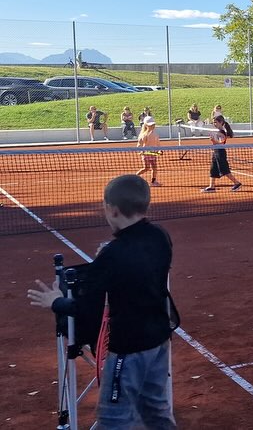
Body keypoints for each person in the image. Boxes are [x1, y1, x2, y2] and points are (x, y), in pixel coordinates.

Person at [26, 174, 180, 429]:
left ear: (112, 209)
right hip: (159, 340)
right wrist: (107, 257)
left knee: (112, 419)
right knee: (155, 410)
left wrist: (55, 301)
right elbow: (137, 262)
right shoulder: (159, 235)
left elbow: (86, 309)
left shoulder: (112, 255)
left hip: (129, 349)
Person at [201, 115, 243, 193]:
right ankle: (212, 186)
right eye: (213, 122)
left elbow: (222, 142)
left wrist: (213, 140)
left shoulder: (221, 132)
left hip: (220, 153)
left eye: (216, 122)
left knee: (225, 170)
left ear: (221, 122)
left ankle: (237, 183)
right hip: (215, 152)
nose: (214, 124)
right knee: (213, 169)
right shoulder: (218, 131)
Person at [136, 116, 162, 186]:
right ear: (146, 125)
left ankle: (153, 181)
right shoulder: (143, 135)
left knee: (155, 168)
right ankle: (135, 176)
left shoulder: (155, 134)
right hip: (146, 155)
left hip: (153, 154)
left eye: (153, 125)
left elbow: (158, 143)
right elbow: (139, 145)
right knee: (146, 168)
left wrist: (160, 150)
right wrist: (140, 151)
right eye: (150, 125)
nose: (152, 126)